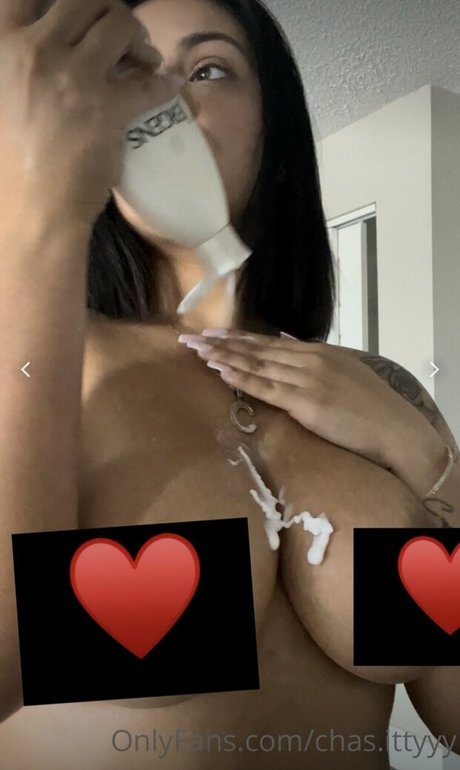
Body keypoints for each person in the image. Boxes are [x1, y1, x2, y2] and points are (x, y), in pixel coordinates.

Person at [0, 0, 459, 768]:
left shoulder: (382, 390)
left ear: (273, 131)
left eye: (209, 69)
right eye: (130, 71)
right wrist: (38, 213)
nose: (164, 97)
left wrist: (420, 451)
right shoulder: (39, 368)